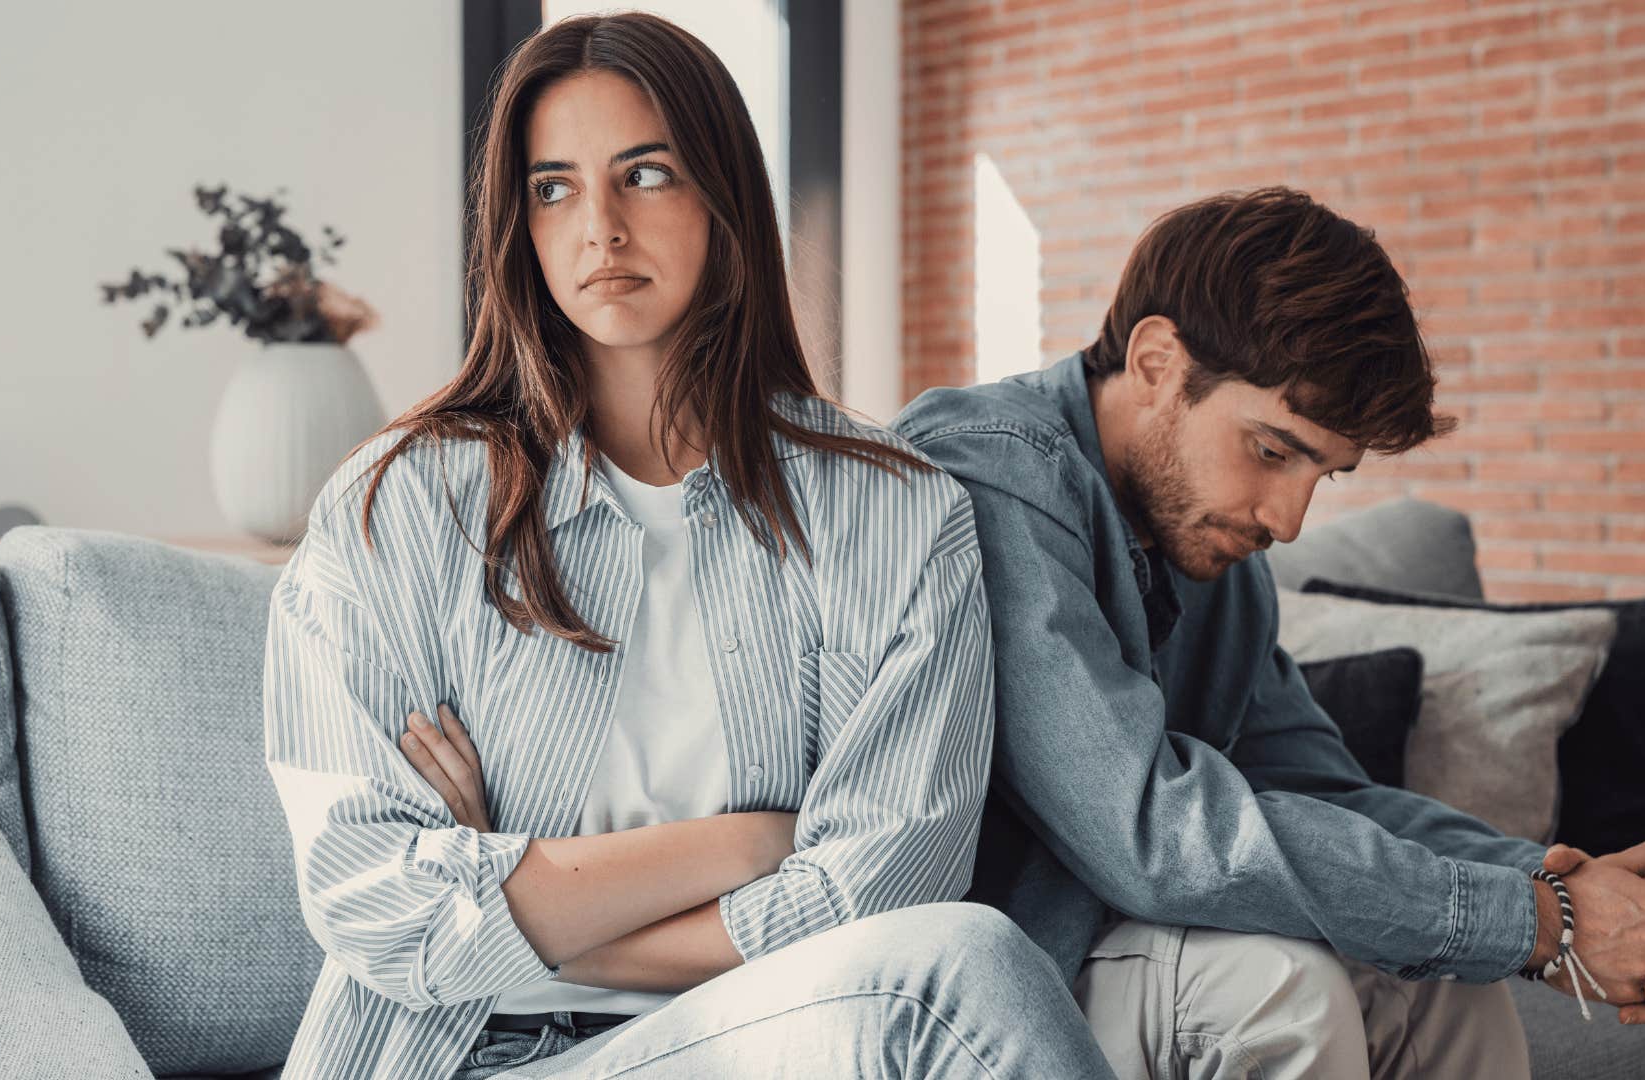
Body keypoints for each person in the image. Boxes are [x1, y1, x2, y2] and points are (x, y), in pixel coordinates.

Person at [262, 13, 1116, 1080]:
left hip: (755, 1040)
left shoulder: (894, 514)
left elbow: (882, 894)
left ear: (724, 195)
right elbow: (379, 909)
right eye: (554, 186)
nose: (600, 229)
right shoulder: (396, 512)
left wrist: (521, 901)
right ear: (516, 222)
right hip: (455, 1060)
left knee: (960, 965)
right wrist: (757, 842)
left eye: (647, 174)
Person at [890, 187, 1645, 1080]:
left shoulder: (1222, 569)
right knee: (1279, 985)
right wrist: (1542, 924)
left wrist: (1568, 885)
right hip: (981, 983)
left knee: (1448, 982)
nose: (1290, 521)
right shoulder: (991, 469)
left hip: (1120, 945)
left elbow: (1326, 793)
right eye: (1271, 450)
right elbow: (1147, 830)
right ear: (1155, 362)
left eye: (1324, 475)